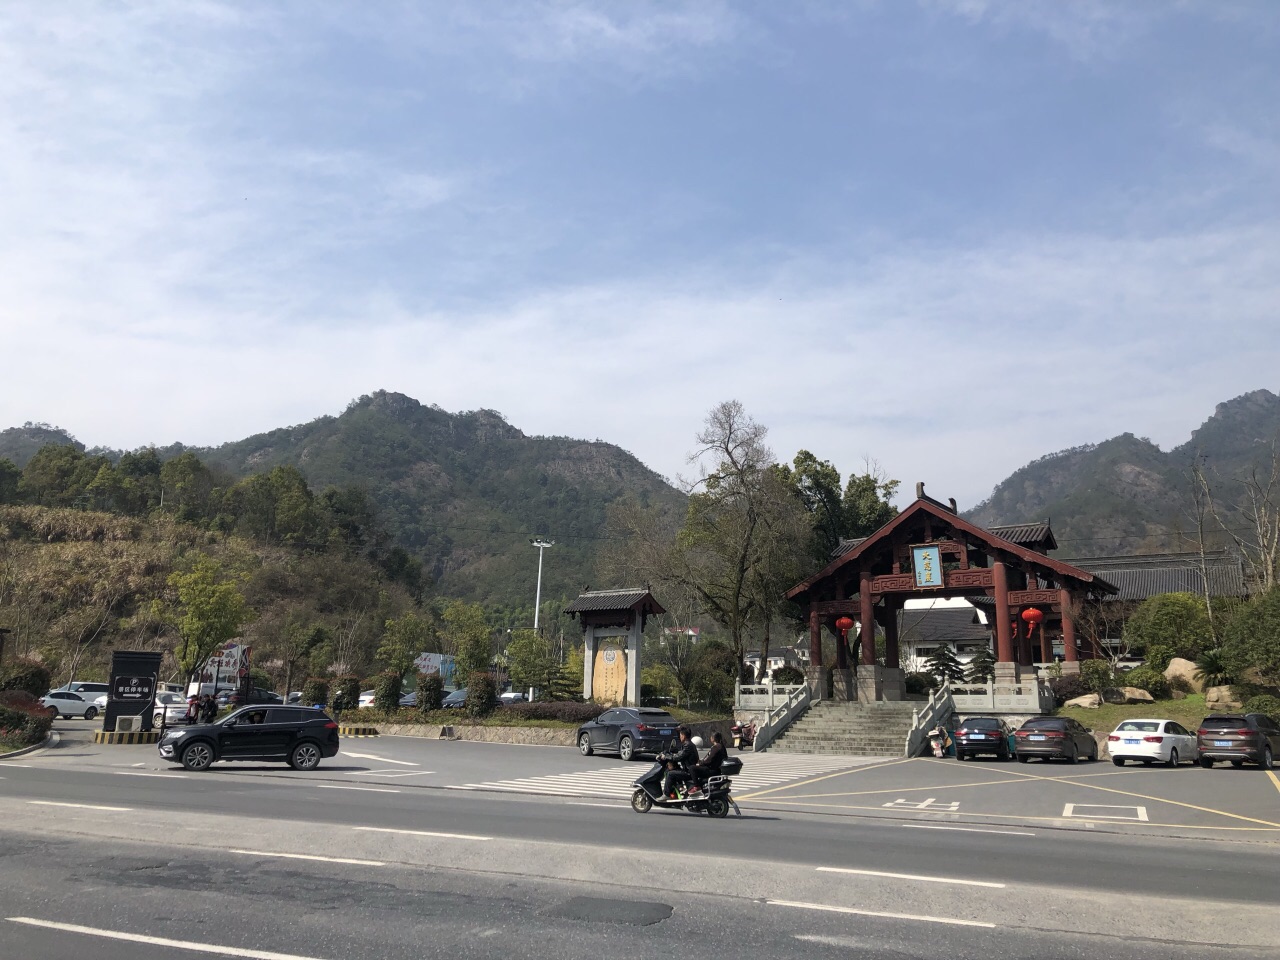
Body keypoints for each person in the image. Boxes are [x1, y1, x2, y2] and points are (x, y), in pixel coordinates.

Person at [662, 725, 699, 799]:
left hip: (688, 771)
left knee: (670, 774)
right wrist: (673, 754)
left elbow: (679, 756)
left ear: (683, 735)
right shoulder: (689, 744)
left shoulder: (688, 745)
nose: (680, 736)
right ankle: (680, 789)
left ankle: (666, 795)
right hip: (688, 769)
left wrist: (666, 756)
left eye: (680, 735)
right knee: (675, 770)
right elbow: (681, 754)